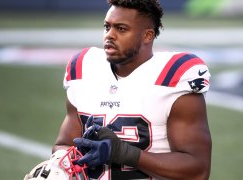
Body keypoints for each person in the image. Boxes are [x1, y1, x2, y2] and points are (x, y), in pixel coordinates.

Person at [52, 0, 212, 179]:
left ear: (147, 36)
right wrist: (63, 161)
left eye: (121, 29)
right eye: (107, 27)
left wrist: (125, 153)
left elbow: (198, 170)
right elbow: (62, 145)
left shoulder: (173, 77)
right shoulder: (85, 69)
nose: (109, 35)